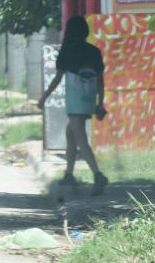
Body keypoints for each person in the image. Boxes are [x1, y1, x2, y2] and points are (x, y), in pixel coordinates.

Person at [39, 15, 109, 195]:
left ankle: (98, 175)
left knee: (81, 139)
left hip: (75, 100)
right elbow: (100, 81)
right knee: (70, 132)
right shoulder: (94, 51)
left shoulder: (66, 50)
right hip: (89, 99)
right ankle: (69, 174)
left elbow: (57, 78)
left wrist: (44, 97)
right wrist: (100, 103)